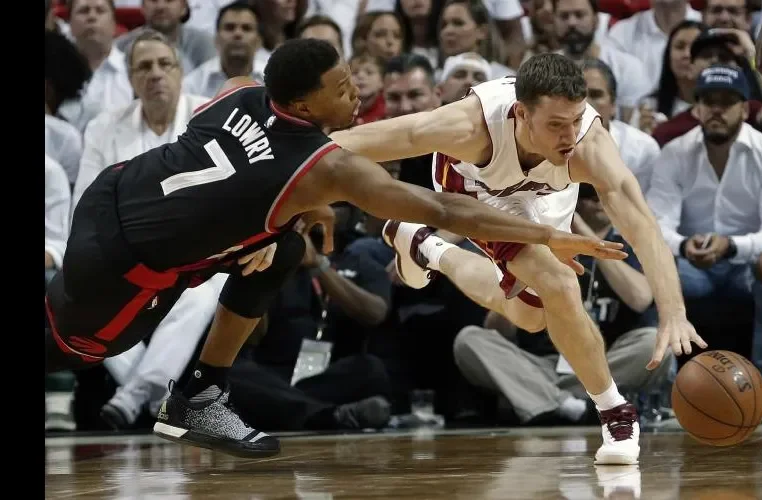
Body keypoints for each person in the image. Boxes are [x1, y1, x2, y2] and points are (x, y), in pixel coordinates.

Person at [45, 39, 625, 459]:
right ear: (300, 107)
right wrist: (549, 234)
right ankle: (183, 391)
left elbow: (234, 170)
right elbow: (444, 209)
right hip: (124, 264)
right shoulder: (325, 169)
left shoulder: (238, 92)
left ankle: (199, 394)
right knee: (70, 350)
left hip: (118, 190)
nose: (356, 97)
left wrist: (280, 218)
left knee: (285, 250)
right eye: (342, 90)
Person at [330, 52, 706, 465]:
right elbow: (352, 144)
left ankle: (426, 248)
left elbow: (644, 228)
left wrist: (674, 310)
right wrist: (286, 175)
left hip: (547, 194)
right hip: (477, 188)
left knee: (532, 316)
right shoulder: (470, 126)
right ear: (522, 114)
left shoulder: (587, 146)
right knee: (560, 285)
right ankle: (615, 411)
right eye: (557, 125)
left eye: (576, 120)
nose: (570, 135)